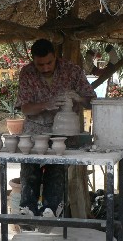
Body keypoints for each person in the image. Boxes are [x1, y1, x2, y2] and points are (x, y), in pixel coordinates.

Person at [16, 39, 96, 217]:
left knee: (57, 169)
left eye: (49, 63)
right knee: (30, 168)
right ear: (33, 60)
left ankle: (50, 209)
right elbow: (25, 108)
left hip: (64, 134)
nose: (45, 68)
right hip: (36, 131)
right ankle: (27, 209)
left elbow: (92, 101)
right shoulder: (27, 72)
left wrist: (79, 98)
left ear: (56, 57)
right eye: (40, 64)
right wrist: (46, 105)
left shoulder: (72, 70)